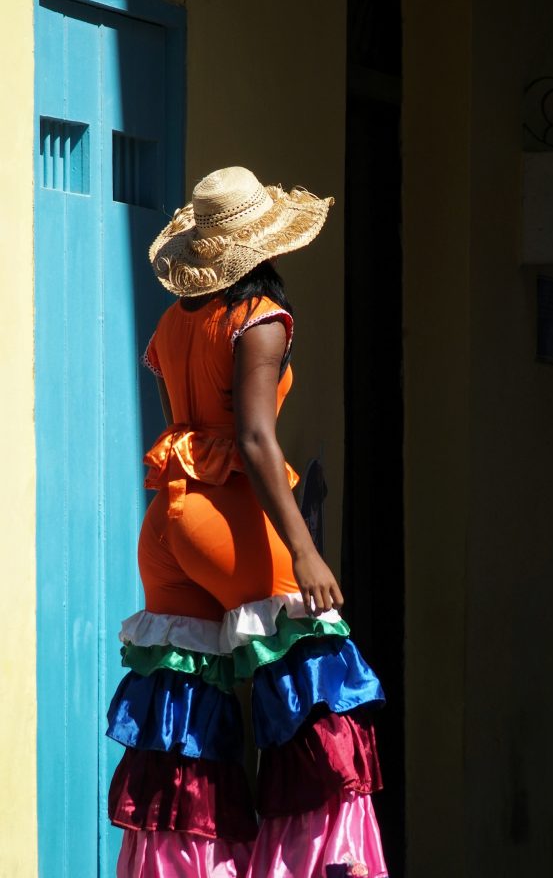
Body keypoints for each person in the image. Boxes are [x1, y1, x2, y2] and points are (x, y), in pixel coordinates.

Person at [106, 166, 388, 878]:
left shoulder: (175, 321)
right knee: (315, 704)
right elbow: (257, 441)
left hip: (168, 523)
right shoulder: (259, 318)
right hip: (230, 519)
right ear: (264, 244)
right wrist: (306, 549)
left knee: (183, 729)